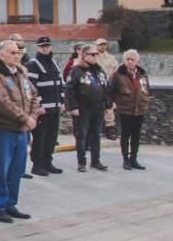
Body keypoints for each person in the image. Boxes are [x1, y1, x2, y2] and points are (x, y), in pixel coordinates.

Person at [0, 41, 40, 224]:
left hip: (21, 130)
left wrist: (32, 117)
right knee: (2, 169)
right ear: (1, 55)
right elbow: (3, 102)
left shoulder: (21, 74)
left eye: (18, 53)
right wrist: (26, 118)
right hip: (4, 129)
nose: (17, 56)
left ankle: (10, 203)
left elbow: (33, 96)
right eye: (12, 53)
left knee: (17, 169)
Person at [66, 44, 110, 172]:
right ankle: (81, 162)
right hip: (83, 108)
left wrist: (108, 103)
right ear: (84, 56)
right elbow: (70, 89)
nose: (96, 56)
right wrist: (73, 106)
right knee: (82, 135)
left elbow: (105, 87)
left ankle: (95, 161)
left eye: (97, 54)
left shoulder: (99, 70)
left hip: (98, 107)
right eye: (92, 54)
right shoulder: (76, 70)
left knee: (96, 134)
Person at [25, 36, 64, 176]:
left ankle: (48, 163)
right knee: (40, 138)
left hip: (55, 108)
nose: (45, 48)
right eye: (42, 46)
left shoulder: (54, 63)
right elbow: (32, 87)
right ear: (37, 47)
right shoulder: (33, 64)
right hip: (42, 110)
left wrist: (62, 102)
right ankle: (37, 165)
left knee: (51, 138)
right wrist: (39, 105)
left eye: (47, 45)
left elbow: (61, 84)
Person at [111, 49, 151, 171]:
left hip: (139, 109)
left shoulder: (142, 73)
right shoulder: (118, 74)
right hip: (125, 109)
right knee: (125, 135)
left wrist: (146, 100)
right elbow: (111, 90)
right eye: (127, 59)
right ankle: (125, 160)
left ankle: (134, 159)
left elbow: (146, 88)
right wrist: (114, 103)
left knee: (136, 135)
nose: (129, 61)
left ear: (136, 61)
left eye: (132, 59)